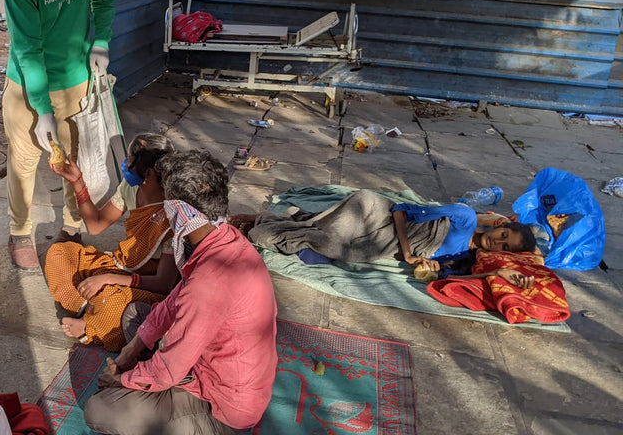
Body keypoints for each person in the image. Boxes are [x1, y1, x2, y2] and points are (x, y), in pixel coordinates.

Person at [84, 151, 278, 435]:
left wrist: (122, 380)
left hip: (221, 407)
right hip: (208, 362)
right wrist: (130, 351)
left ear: (178, 210)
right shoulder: (227, 239)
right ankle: (152, 371)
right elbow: (174, 299)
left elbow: (167, 371)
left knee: (99, 409)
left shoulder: (208, 283)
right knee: (135, 317)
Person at [2, 0, 115, 270]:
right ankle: (19, 232)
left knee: (74, 158)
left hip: (76, 80)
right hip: (27, 85)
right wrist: (43, 111)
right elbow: (28, 51)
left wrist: (101, 41)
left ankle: (71, 227)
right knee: (24, 161)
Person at [45, 133, 180, 352]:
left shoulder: (174, 210)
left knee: (119, 305)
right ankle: (88, 306)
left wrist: (108, 279)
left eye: (129, 160)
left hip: (146, 283)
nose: (125, 164)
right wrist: (77, 182)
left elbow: (163, 283)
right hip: (119, 265)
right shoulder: (131, 188)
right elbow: (96, 224)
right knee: (59, 253)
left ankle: (90, 323)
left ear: (148, 174)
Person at [242, 190, 538, 284]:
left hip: (379, 243)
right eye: (502, 234)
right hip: (374, 212)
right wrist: (409, 254)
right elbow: (401, 210)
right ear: (500, 225)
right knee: (325, 239)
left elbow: (450, 280)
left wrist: (497, 273)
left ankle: (259, 223)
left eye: (504, 247)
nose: (496, 242)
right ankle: (255, 224)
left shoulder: (464, 258)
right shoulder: (465, 216)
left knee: (320, 243)